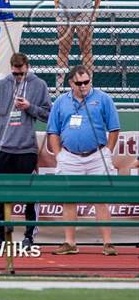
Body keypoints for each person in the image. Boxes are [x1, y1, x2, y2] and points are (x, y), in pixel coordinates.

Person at [47, 65, 120, 256]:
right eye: (79, 83)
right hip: (69, 155)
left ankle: (107, 243)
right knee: (69, 200)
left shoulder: (103, 98)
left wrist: (107, 152)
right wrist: (59, 155)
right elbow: (53, 131)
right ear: (71, 83)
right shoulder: (61, 102)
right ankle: (70, 242)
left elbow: (114, 128)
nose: (83, 86)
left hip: (97, 155)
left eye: (86, 82)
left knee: (100, 199)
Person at [0, 52, 52, 249]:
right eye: (15, 74)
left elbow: (48, 114)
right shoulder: (1, 85)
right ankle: (1, 236)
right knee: (1, 197)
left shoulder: (39, 85)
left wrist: (30, 107)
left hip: (26, 149)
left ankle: (29, 236)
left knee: (30, 197)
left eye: (22, 73)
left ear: (28, 68)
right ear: (11, 69)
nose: (18, 77)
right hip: (3, 149)